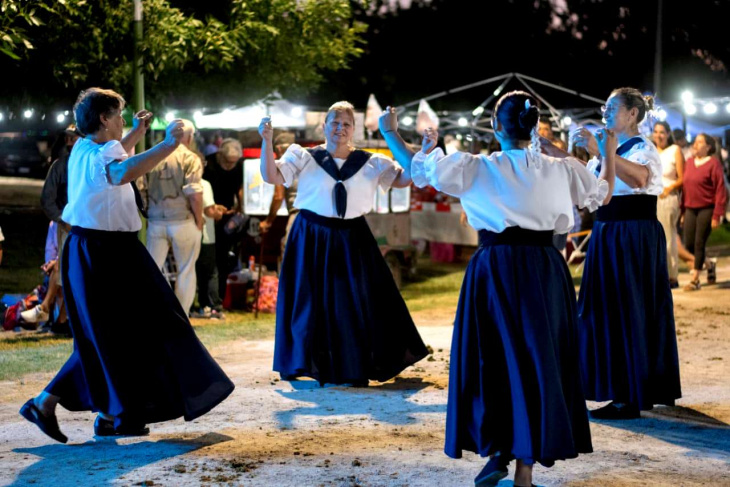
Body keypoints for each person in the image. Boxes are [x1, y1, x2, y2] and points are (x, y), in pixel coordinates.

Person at [389, 91, 612, 487]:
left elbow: (419, 170)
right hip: (545, 271)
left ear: (495, 127)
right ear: (535, 128)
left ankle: (498, 452)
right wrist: (603, 152)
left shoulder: (478, 166)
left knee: (493, 359)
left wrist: (394, 134)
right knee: (538, 362)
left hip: (495, 270)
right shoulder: (563, 169)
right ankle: (523, 468)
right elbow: (602, 193)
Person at [19, 87, 234, 444]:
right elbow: (120, 171)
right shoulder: (98, 155)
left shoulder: (87, 147)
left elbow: (117, 154)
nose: (122, 121)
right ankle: (62, 405)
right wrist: (169, 144)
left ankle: (111, 414)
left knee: (120, 333)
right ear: (104, 119)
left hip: (106, 249)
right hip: (103, 252)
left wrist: (138, 130)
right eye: (118, 115)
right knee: (131, 329)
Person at [258, 101, 428, 387]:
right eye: (335, 122)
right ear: (324, 126)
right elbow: (271, 175)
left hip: (352, 236)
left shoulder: (371, 162)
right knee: (308, 301)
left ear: (354, 129)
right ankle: (303, 361)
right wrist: (266, 141)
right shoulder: (304, 156)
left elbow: (407, 178)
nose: (340, 128)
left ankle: (352, 365)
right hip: (311, 235)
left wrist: (396, 136)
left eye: (346, 124)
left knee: (354, 300)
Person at [571, 87, 681, 420]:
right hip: (608, 233)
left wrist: (603, 152)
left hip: (632, 235)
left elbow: (638, 179)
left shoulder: (643, 148)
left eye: (611, 107)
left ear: (632, 114)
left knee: (629, 309)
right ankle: (620, 387)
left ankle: (630, 395)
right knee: (604, 310)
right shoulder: (610, 150)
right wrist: (560, 154)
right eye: (604, 107)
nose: (604, 113)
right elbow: (594, 189)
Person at [137, 119, 204, 314]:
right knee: (186, 271)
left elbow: (141, 189)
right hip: (182, 219)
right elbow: (195, 194)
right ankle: (181, 317)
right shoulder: (190, 158)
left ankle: (150, 313)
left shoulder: (152, 156)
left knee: (151, 271)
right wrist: (199, 219)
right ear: (189, 137)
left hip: (156, 221)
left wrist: (148, 212)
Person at [681, 133, 727, 290]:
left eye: (700, 142)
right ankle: (709, 264)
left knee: (699, 242)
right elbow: (685, 188)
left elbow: (720, 189)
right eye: (695, 141)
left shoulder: (713, 164)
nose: (695, 144)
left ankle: (695, 280)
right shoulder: (689, 162)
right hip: (689, 208)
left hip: (707, 208)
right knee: (689, 244)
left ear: (708, 147)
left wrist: (717, 214)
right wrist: (682, 211)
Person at [203, 138, 244, 298]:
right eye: (227, 161)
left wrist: (241, 206)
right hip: (208, 214)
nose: (229, 166)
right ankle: (206, 295)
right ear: (220, 155)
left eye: (233, 162)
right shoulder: (208, 164)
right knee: (208, 257)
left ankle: (220, 295)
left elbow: (240, 189)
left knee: (224, 257)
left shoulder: (239, 167)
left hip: (228, 217)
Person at [652, 121, 685, 288]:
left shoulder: (674, 150)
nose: (658, 135)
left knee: (667, 236)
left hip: (667, 197)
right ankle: (659, 274)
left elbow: (682, 178)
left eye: (662, 132)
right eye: (656, 131)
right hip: (651, 198)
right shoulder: (651, 151)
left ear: (667, 134)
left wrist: (669, 188)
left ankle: (671, 275)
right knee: (655, 238)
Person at [259, 132, 299, 261]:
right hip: (320, 215)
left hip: (299, 215)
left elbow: (278, 196)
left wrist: (268, 221)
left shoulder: (283, 164)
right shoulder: (307, 160)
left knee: (289, 253)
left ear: (279, 149)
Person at [193, 165, 227, 319]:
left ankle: (197, 305)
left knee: (193, 271)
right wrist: (218, 213)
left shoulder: (182, 182)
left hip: (189, 232)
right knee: (211, 272)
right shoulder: (204, 184)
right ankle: (214, 306)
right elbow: (209, 210)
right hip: (206, 235)